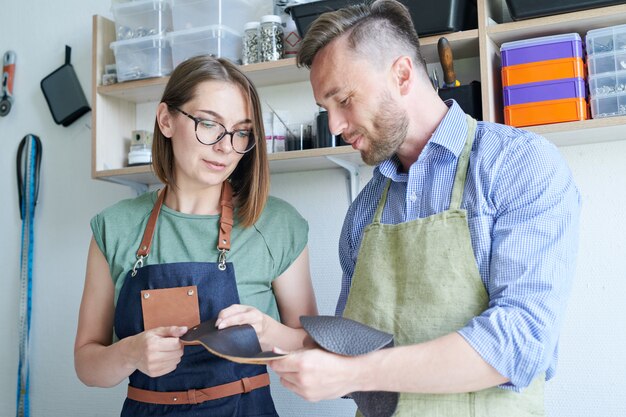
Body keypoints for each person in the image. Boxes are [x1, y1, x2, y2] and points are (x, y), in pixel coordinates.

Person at [269, 1, 581, 416]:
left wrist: (358, 374)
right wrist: (274, 336)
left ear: (401, 75)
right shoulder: (363, 210)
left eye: (344, 100)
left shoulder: (516, 165)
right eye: (325, 110)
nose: (335, 126)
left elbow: (521, 341)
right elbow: (353, 345)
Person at [74, 55, 317, 417]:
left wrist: (266, 332)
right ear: (166, 120)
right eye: (209, 124)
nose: (225, 146)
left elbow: (312, 349)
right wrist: (130, 353)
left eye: (241, 132)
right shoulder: (115, 227)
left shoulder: (277, 225)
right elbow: (87, 365)